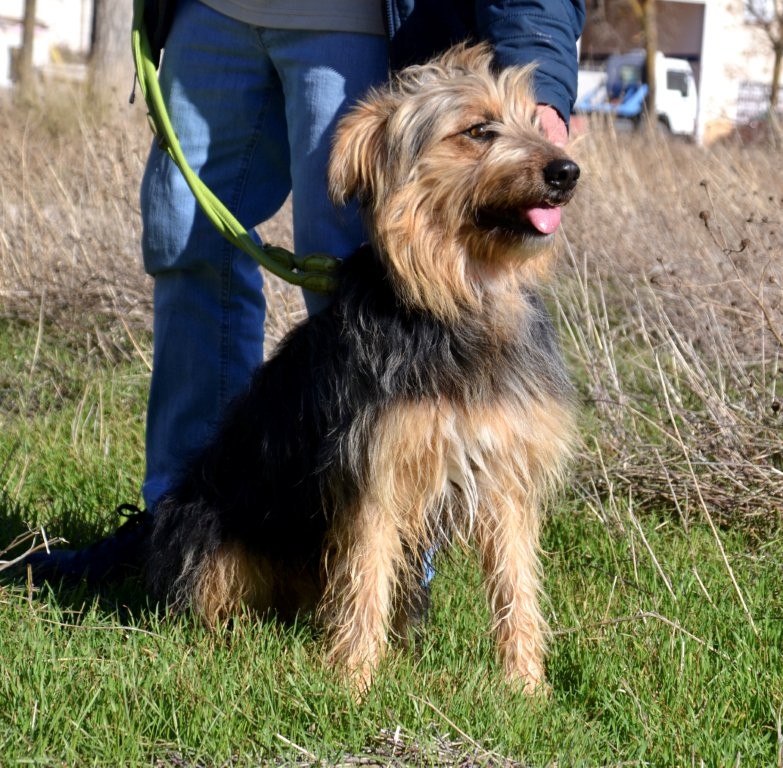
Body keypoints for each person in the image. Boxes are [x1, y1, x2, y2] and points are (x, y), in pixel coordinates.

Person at [21, 0, 585, 584]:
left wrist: (540, 67)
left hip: (353, 21)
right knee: (184, 241)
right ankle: (182, 528)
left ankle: (393, 552)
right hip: (213, 12)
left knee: (356, 267)